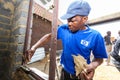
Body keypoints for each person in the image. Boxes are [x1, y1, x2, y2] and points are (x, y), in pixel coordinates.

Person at [26, 0, 108, 80]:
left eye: (73, 20)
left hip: (81, 75)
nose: (69, 23)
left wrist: (92, 66)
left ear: (84, 19)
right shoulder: (63, 29)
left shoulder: (95, 36)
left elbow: (99, 59)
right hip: (64, 72)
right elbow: (49, 37)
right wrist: (34, 47)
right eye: (68, 20)